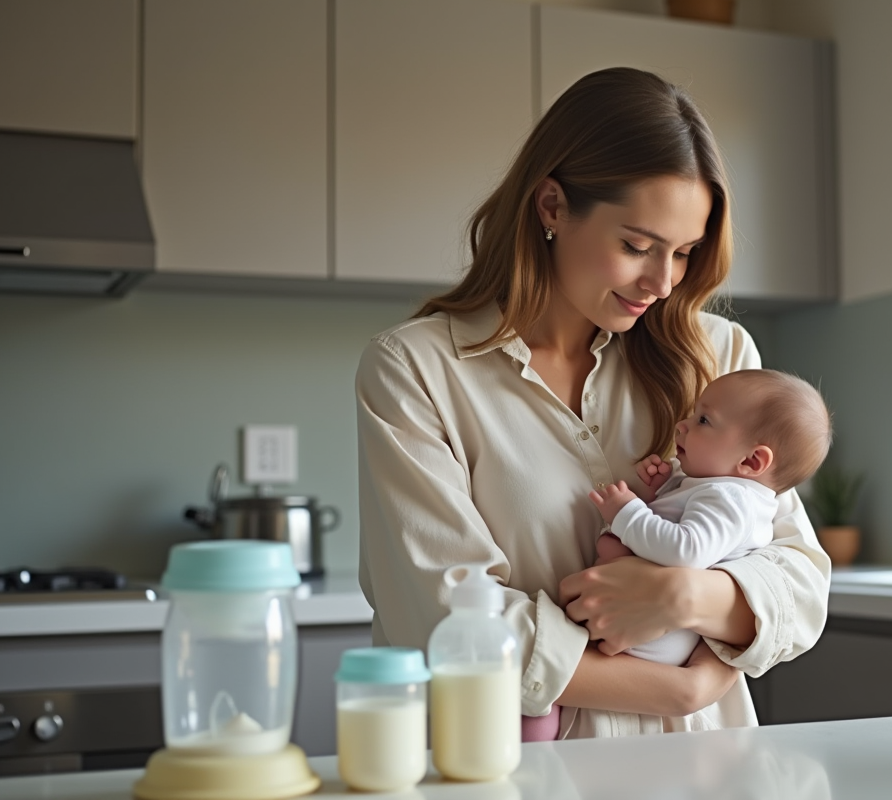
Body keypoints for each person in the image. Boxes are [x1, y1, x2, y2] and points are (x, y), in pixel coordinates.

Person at [355, 66, 831, 741]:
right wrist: (684, 687)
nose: (662, 282)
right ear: (552, 206)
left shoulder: (721, 360)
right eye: (636, 246)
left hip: (706, 768)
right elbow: (441, 616)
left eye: (684, 253)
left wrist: (684, 594)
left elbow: (800, 584)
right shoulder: (416, 370)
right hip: (512, 769)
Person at [519, 370, 831, 741]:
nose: (682, 425)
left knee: (536, 709)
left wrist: (628, 513)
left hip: (645, 642)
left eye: (704, 420)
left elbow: (687, 550)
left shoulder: (730, 499)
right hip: (641, 636)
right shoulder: (720, 489)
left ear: (751, 461)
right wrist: (664, 490)